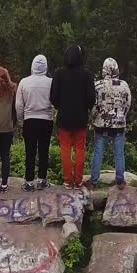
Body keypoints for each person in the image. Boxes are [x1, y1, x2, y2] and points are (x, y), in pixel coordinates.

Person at [49, 43, 96, 189]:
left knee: (65, 149)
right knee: (80, 148)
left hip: (64, 116)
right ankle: (78, 180)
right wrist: (85, 108)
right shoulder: (87, 74)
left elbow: (53, 97)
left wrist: (60, 106)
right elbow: (91, 98)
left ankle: (67, 180)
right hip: (81, 117)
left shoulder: (59, 73)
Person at [89, 57, 132, 187]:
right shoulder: (124, 85)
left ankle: (94, 181)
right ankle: (120, 180)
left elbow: (93, 106)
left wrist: (94, 118)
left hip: (101, 124)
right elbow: (127, 103)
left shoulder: (97, 85)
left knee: (98, 152)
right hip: (119, 124)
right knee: (119, 153)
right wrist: (122, 116)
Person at [15, 54, 54, 191]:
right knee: (44, 151)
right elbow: (55, 101)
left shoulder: (24, 82)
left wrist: (21, 120)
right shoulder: (51, 82)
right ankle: (42, 179)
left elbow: (19, 105)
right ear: (45, 67)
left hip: (30, 120)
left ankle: (29, 181)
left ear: (32, 66)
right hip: (46, 120)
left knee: (30, 152)